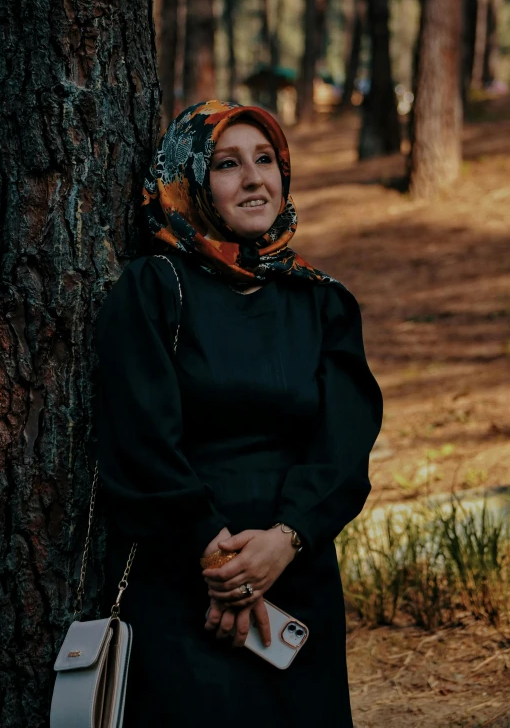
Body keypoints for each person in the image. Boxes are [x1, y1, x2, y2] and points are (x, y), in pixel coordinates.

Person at [96, 100, 382, 727]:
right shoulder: (155, 288)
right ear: (191, 180)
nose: (255, 179)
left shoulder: (323, 301)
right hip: (182, 578)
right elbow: (136, 435)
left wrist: (285, 540)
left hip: (296, 577)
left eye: (266, 161)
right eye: (227, 164)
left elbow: (345, 445)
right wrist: (220, 561)